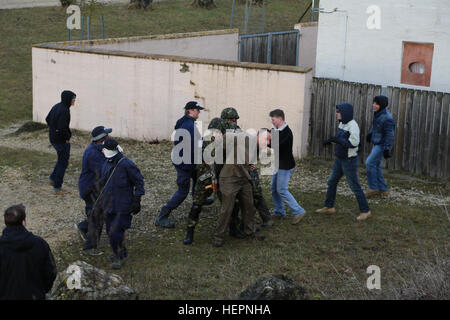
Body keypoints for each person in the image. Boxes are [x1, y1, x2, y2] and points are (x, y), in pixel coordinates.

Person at [213, 109, 264, 247]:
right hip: (229, 177)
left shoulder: (246, 137)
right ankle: (218, 236)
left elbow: (253, 153)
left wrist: (252, 163)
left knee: (248, 205)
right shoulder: (227, 138)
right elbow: (217, 156)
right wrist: (217, 177)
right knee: (227, 209)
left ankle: (250, 230)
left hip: (243, 177)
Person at [317, 103, 371, 221]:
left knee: (354, 186)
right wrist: (331, 140)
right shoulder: (342, 123)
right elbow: (341, 140)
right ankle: (329, 207)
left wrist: (338, 139)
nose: (336, 113)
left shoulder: (353, 126)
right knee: (332, 181)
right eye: (337, 111)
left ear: (345, 113)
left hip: (349, 160)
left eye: (338, 111)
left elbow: (353, 143)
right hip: (340, 159)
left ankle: (365, 211)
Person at [155, 101, 204, 228]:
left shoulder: (186, 122)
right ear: (191, 111)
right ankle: (162, 216)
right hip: (185, 163)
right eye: (197, 110)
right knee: (183, 191)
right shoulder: (188, 125)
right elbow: (193, 146)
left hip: (187, 160)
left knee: (198, 179)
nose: (199, 112)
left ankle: (197, 199)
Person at [100, 138, 145, 269]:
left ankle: (120, 257)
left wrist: (137, 199)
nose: (101, 150)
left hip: (122, 205)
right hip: (109, 205)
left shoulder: (126, 164)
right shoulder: (107, 162)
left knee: (115, 232)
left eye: (104, 149)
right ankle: (119, 252)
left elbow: (139, 182)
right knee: (109, 231)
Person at [0, 204, 57, 300]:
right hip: (34, 295)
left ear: (5, 222)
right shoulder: (40, 243)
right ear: (23, 222)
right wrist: (42, 290)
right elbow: (51, 271)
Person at [183, 117, 223, 245]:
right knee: (196, 205)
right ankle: (190, 233)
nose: (218, 134)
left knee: (229, 204)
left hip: (220, 177)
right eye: (216, 131)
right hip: (205, 178)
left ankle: (233, 228)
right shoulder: (205, 141)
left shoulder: (224, 141)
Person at [77, 126, 112, 256]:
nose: (109, 137)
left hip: (94, 187)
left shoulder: (98, 149)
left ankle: (83, 226)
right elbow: (105, 170)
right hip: (91, 189)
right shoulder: (93, 154)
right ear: (101, 139)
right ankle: (90, 247)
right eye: (107, 136)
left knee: (96, 214)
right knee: (97, 216)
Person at [269, 109, 306, 225]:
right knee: (274, 190)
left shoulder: (287, 133)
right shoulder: (275, 130)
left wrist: (264, 141)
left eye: (273, 120)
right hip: (277, 164)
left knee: (281, 190)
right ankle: (279, 212)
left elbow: (275, 146)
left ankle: (298, 211)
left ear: (280, 119)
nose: (272, 122)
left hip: (285, 166)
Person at [45, 90, 76, 193]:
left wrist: (53, 130)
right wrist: (66, 138)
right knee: (63, 163)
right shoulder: (64, 110)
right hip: (61, 141)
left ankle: (53, 179)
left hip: (54, 138)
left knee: (61, 160)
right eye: (73, 99)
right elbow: (62, 128)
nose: (74, 101)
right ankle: (57, 186)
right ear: (68, 99)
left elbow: (47, 119)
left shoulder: (57, 106)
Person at [365, 95, 396, 198]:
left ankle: (373, 188)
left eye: (377, 104)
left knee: (369, 163)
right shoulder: (377, 114)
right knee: (376, 166)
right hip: (376, 142)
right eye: (374, 103)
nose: (374, 105)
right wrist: (370, 134)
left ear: (382, 105)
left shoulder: (388, 118)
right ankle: (383, 189)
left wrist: (387, 149)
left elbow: (390, 135)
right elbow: (376, 127)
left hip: (381, 145)